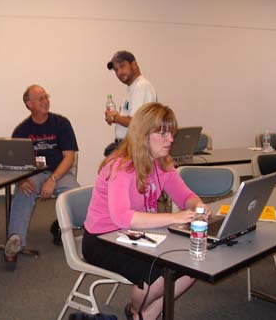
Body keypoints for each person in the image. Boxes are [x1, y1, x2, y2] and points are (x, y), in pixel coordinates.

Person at [83, 102, 210, 320]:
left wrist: (199, 206)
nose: (170, 139)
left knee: (194, 263)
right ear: (143, 135)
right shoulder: (120, 166)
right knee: (158, 275)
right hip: (102, 238)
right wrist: (175, 217)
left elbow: (185, 196)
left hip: (138, 234)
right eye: (162, 134)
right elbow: (121, 217)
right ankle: (139, 312)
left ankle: (145, 313)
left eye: (171, 133)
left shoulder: (162, 163)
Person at [5, 84, 79, 263]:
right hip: (34, 173)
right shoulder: (21, 130)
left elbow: (69, 157)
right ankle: (15, 240)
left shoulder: (61, 123)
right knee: (25, 190)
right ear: (29, 104)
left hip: (59, 172)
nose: (45, 101)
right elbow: (16, 163)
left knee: (76, 195)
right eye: (40, 99)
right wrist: (22, 180)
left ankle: (66, 229)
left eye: (46, 97)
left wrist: (53, 179)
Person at [104, 50, 157, 156]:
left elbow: (136, 121)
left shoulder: (141, 86)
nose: (119, 72)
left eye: (122, 66)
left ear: (134, 64)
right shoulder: (132, 89)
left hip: (134, 148)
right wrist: (115, 117)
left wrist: (115, 118)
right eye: (116, 70)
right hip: (127, 147)